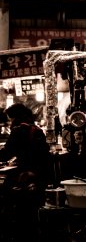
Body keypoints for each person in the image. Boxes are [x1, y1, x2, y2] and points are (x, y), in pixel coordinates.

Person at [0, 103, 50, 241]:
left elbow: (7, 153)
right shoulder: (37, 129)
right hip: (39, 175)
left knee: (17, 207)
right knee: (34, 211)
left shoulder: (18, 129)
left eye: (10, 118)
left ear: (15, 117)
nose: (9, 122)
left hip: (25, 176)